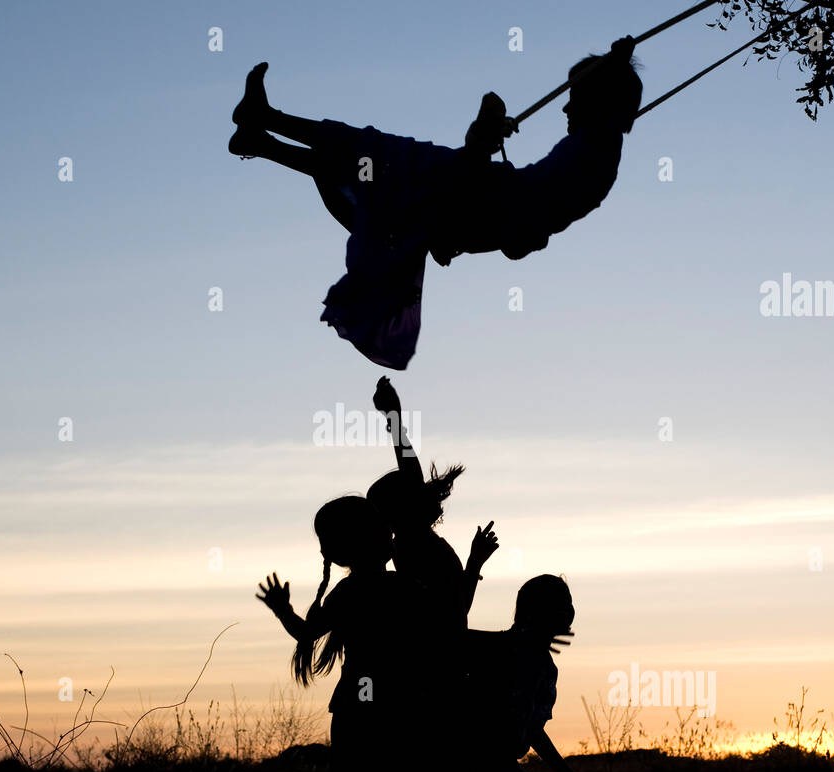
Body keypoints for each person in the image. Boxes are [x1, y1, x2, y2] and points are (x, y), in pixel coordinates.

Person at [227, 38, 642, 369]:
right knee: (370, 167)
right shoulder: (597, 156)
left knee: (372, 155)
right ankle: (260, 138)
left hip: (477, 203)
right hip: (476, 209)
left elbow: (527, 216)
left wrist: (614, 61)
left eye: (576, 95)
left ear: (602, 102)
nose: (566, 105)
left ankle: (264, 123)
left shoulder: (598, 149)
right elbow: (527, 233)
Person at [255, 495, 448, 772]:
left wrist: (283, 611)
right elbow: (446, 632)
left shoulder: (353, 591)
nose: (391, 532)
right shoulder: (408, 587)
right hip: (404, 706)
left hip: (357, 711)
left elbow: (307, 633)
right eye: (382, 528)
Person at [460, 574, 579, 772]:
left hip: (493, 771)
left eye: (568, 607)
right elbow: (452, 637)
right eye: (561, 607)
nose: (568, 614)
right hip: (482, 771)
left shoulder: (539, 663)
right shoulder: (506, 650)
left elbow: (532, 730)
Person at [367, 375, 498, 630]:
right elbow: (455, 612)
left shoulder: (415, 544)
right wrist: (395, 420)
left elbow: (459, 607)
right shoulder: (408, 545)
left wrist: (474, 562)